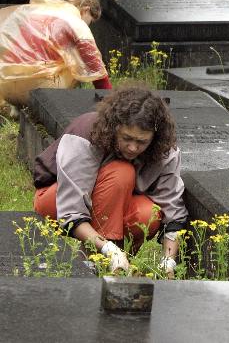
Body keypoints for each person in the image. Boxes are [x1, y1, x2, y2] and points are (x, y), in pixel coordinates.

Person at [32, 86, 187, 275]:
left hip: (116, 206)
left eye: (142, 142)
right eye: (127, 138)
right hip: (56, 201)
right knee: (122, 171)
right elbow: (70, 209)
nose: (132, 148)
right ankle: (94, 261)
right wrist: (107, 249)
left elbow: (173, 210)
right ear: (115, 127)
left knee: (150, 214)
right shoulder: (85, 134)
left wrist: (168, 261)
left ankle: (118, 265)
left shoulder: (165, 150)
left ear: (154, 138)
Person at [0, 0, 111, 111]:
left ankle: (16, 108)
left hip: (5, 84)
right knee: (77, 62)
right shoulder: (74, 21)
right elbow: (95, 67)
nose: (88, 25)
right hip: (38, 88)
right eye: (90, 21)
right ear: (86, 10)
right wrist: (110, 99)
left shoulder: (37, 10)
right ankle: (53, 106)